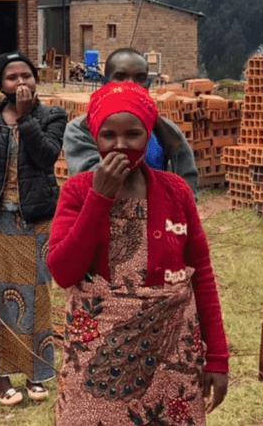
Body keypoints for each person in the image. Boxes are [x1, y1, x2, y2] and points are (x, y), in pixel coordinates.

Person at [47, 81, 229, 425]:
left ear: (149, 136)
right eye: (108, 136)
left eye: (133, 134)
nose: (121, 145)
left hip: (171, 356)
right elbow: (62, 271)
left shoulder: (175, 191)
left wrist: (217, 358)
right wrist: (99, 198)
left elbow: (201, 272)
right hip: (96, 358)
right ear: (93, 138)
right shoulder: (77, 191)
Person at [0, 51, 67, 406]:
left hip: (35, 222)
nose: (21, 83)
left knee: (35, 296)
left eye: (27, 76)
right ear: (1, 85)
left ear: (36, 79)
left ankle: (36, 372)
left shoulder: (53, 115)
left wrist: (25, 119)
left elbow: (47, 157)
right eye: (11, 77)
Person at [63, 48, 199, 201]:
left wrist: (178, 211)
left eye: (140, 78)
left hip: (162, 219)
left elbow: (187, 181)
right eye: (121, 77)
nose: (131, 85)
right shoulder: (80, 129)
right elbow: (91, 180)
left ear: (148, 85)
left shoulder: (166, 130)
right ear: (105, 82)